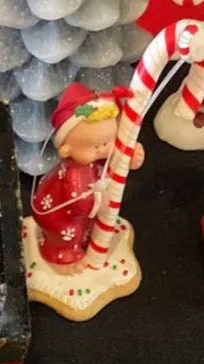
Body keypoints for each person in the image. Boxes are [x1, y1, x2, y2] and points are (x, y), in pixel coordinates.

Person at [31, 83, 145, 274]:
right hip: (59, 217)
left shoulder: (91, 162)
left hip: (74, 214)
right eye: (94, 147)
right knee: (69, 234)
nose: (102, 150)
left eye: (106, 142)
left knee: (82, 227)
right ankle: (61, 255)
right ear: (66, 150)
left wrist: (127, 160)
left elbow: (110, 165)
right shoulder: (76, 172)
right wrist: (103, 202)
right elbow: (81, 204)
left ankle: (78, 240)